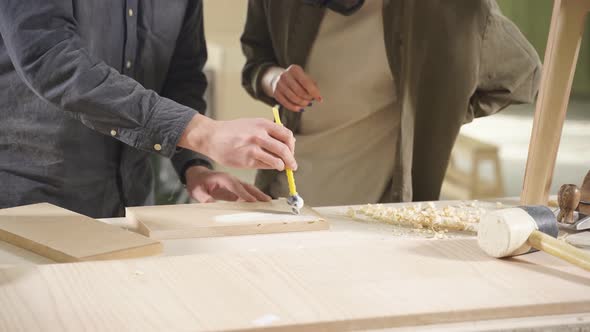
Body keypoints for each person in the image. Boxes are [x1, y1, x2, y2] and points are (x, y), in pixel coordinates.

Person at [0, 0, 297, 218]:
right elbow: (52, 61)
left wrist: (193, 165)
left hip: (132, 203)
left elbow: (183, 77)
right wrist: (203, 133)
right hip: (30, 204)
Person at [241, 0, 542, 206]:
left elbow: (523, 76)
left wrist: (431, 113)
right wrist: (273, 79)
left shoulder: (451, 8)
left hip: (378, 211)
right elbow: (256, 61)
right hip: (283, 193)